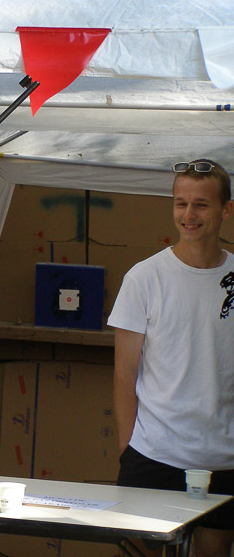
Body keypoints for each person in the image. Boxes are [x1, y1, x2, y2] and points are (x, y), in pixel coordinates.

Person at [108, 158, 234, 557]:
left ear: (226, 209)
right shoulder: (144, 277)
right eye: (181, 203)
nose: (189, 214)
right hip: (153, 454)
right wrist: (129, 450)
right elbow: (124, 373)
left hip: (225, 459)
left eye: (201, 204)